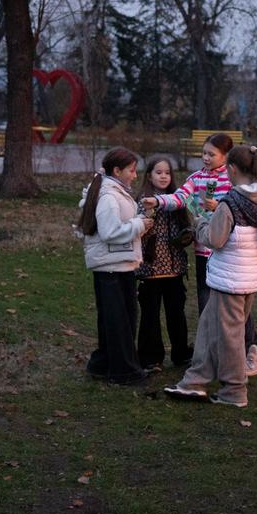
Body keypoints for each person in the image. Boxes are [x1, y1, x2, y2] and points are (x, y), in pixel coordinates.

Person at [164, 145, 257, 408]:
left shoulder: (232, 203)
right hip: (246, 279)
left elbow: (214, 239)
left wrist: (201, 222)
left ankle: (234, 391)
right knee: (208, 328)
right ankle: (194, 381)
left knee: (229, 337)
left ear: (233, 169)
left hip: (230, 281)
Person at [142, 132, 257, 376]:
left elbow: (244, 209)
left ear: (226, 157)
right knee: (207, 305)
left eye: (211, 154)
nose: (206, 158)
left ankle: (250, 350)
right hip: (204, 253)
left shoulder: (233, 180)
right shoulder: (196, 178)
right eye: (204, 153)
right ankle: (215, 355)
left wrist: (217, 206)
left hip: (229, 254)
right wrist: (157, 201)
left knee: (237, 308)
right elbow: (179, 198)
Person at [76, 147, 152, 384]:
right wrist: (140, 224)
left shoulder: (112, 190)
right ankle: (124, 372)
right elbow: (110, 232)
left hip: (117, 264)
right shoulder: (109, 196)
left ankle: (103, 364)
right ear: (116, 171)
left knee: (117, 318)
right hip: (112, 267)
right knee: (120, 321)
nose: (135, 175)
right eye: (131, 170)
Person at [136, 156, 194, 370]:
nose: (163, 176)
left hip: (175, 267)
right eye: (158, 172)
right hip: (150, 268)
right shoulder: (144, 198)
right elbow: (139, 225)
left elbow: (187, 225)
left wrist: (186, 236)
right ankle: (150, 358)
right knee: (150, 314)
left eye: (167, 173)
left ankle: (181, 354)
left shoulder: (178, 199)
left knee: (176, 313)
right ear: (149, 175)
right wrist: (149, 210)